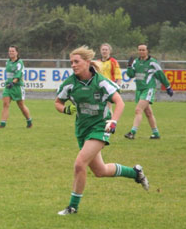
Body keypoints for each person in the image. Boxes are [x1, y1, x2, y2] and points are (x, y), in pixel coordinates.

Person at [55, 46, 149, 216]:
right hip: (82, 130)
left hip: (100, 127)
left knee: (79, 164)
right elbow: (57, 103)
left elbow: (120, 103)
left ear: (87, 62)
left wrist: (113, 121)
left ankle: (72, 207)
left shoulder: (101, 81)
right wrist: (66, 110)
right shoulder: (69, 83)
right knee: (100, 171)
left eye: (76, 62)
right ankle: (135, 173)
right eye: (71, 62)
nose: (73, 65)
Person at [124, 44, 173, 140]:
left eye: (143, 50)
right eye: (140, 50)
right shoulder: (136, 62)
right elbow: (130, 75)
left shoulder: (152, 62)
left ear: (147, 51)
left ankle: (132, 132)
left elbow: (160, 75)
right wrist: (129, 66)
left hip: (148, 89)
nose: (141, 51)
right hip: (139, 90)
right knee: (148, 113)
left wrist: (168, 86)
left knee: (138, 110)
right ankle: (156, 133)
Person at [0, 45, 33, 129]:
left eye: (13, 51)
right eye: (10, 51)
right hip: (8, 86)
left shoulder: (20, 62)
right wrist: (9, 83)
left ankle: (29, 121)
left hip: (17, 87)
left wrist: (13, 82)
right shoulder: (7, 62)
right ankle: (2, 124)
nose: (11, 52)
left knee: (21, 106)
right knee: (5, 104)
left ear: (17, 52)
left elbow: (19, 74)